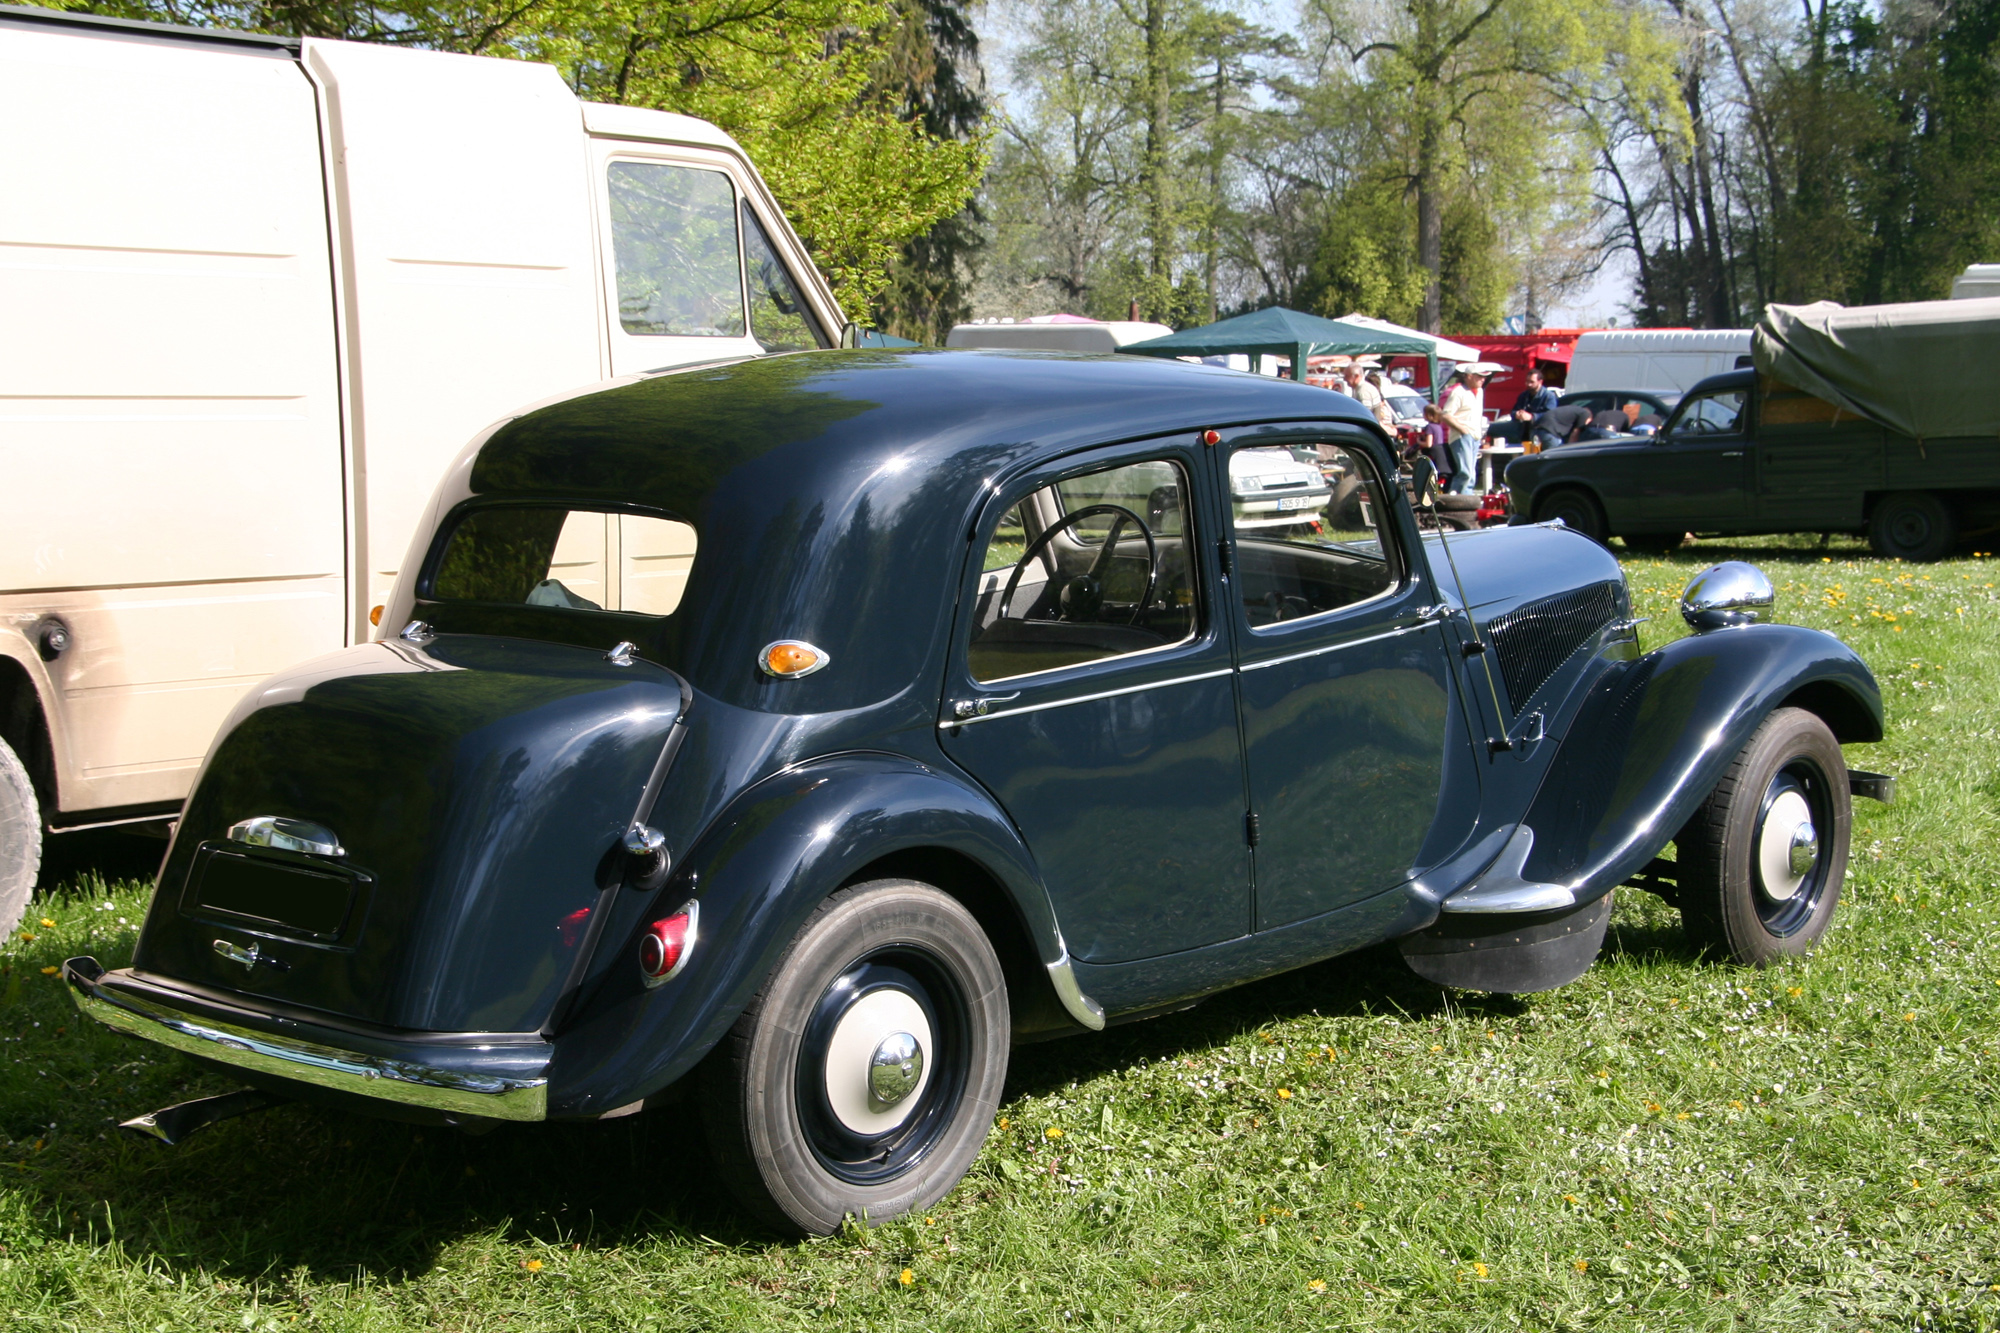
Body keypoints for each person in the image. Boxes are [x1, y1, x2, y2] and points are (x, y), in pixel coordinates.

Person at [1439, 366, 1489, 494]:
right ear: (1469, 376)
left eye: (1484, 376)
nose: (1483, 379)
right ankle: (1458, 503)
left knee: (1471, 473)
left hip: (1475, 436)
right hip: (1461, 436)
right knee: (1465, 473)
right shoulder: (1458, 392)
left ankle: (1465, 501)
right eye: (1479, 376)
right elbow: (1445, 415)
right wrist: (1462, 429)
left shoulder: (1480, 391)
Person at [1486, 368, 1561, 444]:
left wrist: (1532, 417)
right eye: (1527, 381)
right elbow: (1513, 411)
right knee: (1492, 428)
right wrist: (1517, 414)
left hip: (1540, 429)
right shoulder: (1524, 395)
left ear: (1540, 382)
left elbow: (1550, 415)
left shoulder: (1549, 396)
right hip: (1522, 427)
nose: (1528, 384)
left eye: (1532, 382)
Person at [1411, 404, 1454, 485]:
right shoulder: (1438, 426)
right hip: (1442, 453)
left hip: (1434, 454)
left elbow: (1428, 444)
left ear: (1429, 415)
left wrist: (1418, 441)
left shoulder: (1429, 427)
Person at [1529, 402, 1595, 450]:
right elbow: (1575, 433)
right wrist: (1570, 450)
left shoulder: (1573, 409)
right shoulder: (1584, 413)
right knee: (1553, 459)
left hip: (1536, 431)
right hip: (1550, 432)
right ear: (1589, 418)